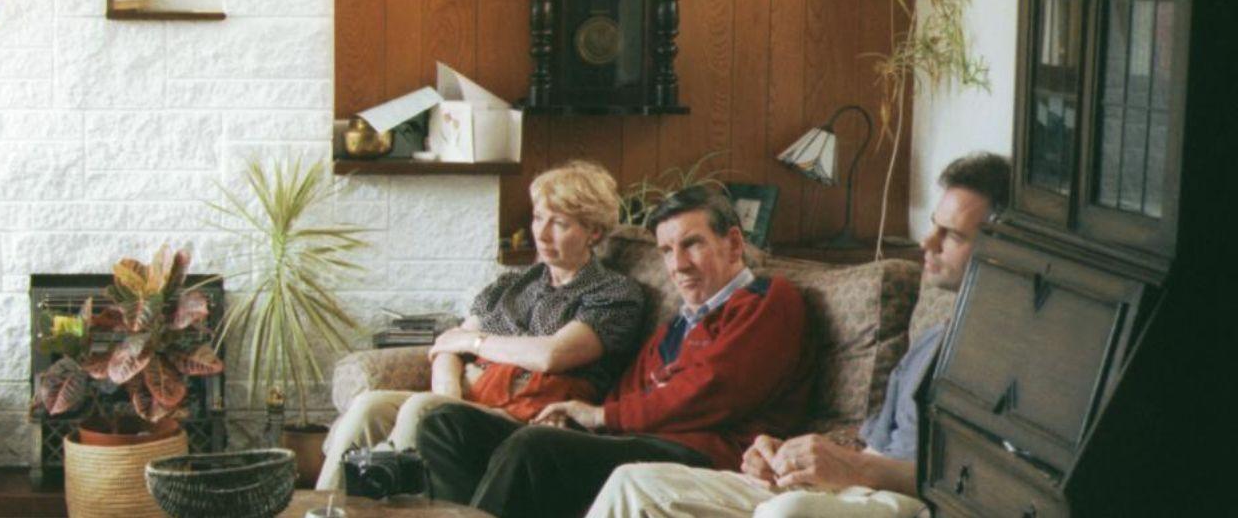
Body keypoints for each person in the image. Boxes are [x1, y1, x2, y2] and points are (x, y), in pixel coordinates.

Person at [584, 153, 1011, 518]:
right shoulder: (934, 338)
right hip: (858, 486)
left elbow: (977, 484)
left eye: (952, 235)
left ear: (1005, 249)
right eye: (934, 224)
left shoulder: (1011, 356)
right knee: (632, 483)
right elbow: (872, 445)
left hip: (906, 502)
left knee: (784, 513)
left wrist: (854, 469)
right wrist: (788, 455)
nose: (927, 240)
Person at [417, 185, 815, 517]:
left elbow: (712, 390)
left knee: (532, 447)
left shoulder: (768, 300)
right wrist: (579, 423)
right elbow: (628, 395)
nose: (677, 264)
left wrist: (602, 416)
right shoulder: (676, 325)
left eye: (692, 244)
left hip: (704, 454)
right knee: (447, 424)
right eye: (666, 250)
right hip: (636, 441)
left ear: (732, 243)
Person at [316, 160, 646, 490]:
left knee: (422, 410)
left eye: (559, 224)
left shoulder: (614, 293)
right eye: (538, 218)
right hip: (473, 403)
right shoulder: (513, 285)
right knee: (369, 406)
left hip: (530, 418)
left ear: (594, 232)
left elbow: (551, 355)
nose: (542, 234)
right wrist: (449, 393)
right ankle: (322, 508)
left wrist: (474, 343)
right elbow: (448, 344)